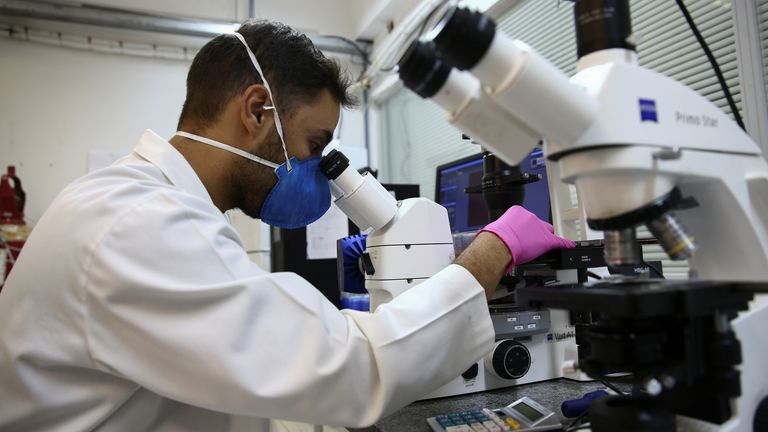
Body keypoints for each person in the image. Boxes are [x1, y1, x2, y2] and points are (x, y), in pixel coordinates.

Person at [0, 20, 575, 431]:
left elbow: (253, 326)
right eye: (316, 145)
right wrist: (491, 249)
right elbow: (351, 370)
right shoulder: (135, 224)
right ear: (255, 111)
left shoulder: (147, 206)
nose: (321, 171)